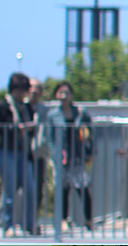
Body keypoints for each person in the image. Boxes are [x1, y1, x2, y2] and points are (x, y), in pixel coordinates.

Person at [0, 73, 40, 236]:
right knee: (9, 189)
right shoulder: (3, 106)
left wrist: (30, 128)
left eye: (23, 90)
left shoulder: (26, 107)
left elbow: (31, 127)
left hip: (23, 152)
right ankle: (8, 224)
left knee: (31, 188)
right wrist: (13, 129)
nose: (21, 93)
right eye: (18, 90)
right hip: (6, 151)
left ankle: (29, 224)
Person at [49, 82, 94, 231]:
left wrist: (89, 151)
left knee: (83, 188)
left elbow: (90, 132)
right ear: (56, 95)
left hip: (78, 156)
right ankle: (63, 220)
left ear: (71, 95)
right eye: (60, 93)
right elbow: (50, 138)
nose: (63, 96)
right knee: (64, 189)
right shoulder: (53, 114)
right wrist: (56, 155)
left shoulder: (80, 112)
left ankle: (89, 220)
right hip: (62, 157)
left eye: (66, 93)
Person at [27, 79, 51, 217]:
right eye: (30, 87)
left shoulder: (44, 111)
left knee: (37, 187)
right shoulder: (20, 107)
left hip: (38, 154)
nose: (33, 91)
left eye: (37, 88)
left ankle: (32, 219)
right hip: (21, 152)